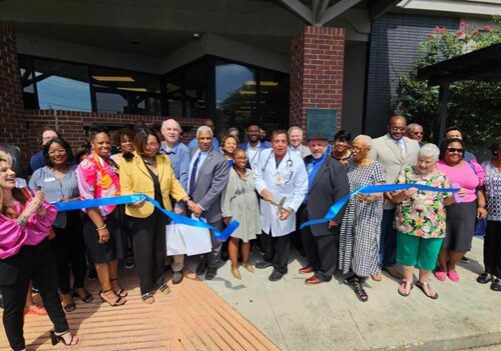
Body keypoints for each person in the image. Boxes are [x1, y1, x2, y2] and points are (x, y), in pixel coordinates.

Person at [0, 151, 79, 350]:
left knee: (50, 293)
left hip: (41, 251)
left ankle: (62, 330)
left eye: (10, 168)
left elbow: (44, 218)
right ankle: (19, 347)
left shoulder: (24, 192)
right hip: (12, 260)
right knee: (14, 307)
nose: (10, 172)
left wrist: (42, 211)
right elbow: (5, 235)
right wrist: (27, 212)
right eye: (3, 170)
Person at [120, 128, 189, 304]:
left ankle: (159, 281)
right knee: (144, 252)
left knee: (159, 249)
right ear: (140, 143)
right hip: (140, 214)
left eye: (155, 143)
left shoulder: (163, 159)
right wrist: (131, 200)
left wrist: (185, 198)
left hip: (161, 212)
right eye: (148, 143)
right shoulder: (129, 161)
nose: (152, 147)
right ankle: (145, 288)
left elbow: (173, 182)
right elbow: (125, 188)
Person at [29, 137, 92, 312]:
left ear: (67, 151)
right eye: (53, 151)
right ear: (47, 154)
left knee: (78, 255)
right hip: (50, 224)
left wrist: (73, 199)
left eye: (61, 150)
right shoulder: (39, 174)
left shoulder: (77, 170)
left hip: (75, 220)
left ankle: (79, 285)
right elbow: (30, 199)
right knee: (59, 259)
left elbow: (88, 193)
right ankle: (65, 292)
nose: (57, 154)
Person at [391, 144, 453, 299]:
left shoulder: (442, 177)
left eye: (428, 162)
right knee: (407, 251)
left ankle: (424, 281)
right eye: (420, 160)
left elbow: (447, 201)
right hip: (408, 222)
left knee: (430, 253)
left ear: (436, 161)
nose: (423, 165)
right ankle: (408, 280)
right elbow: (394, 198)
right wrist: (404, 194)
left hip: (434, 224)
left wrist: (457, 196)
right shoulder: (406, 172)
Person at [76, 127, 127, 307]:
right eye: (101, 143)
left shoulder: (110, 162)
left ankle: (113, 281)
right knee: (101, 255)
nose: (105, 145)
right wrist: (100, 226)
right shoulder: (87, 165)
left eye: (107, 142)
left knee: (113, 252)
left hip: (113, 213)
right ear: (92, 144)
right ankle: (105, 290)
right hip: (96, 217)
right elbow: (87, 200)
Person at [369, 115, 420, 280]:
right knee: (379, 231)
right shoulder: (376, 143)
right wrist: (382, 189)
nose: (398, 131)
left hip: (406, 199)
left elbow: (417, 169)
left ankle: (389, 263)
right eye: (395, 127)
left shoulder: (414, 145)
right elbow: (370, 168)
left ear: (406, 128)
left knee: (394, 233)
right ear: (388, 127)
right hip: (384, 196)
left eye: (401, 128)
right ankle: (374, 264)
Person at [254, 130, 308, 281]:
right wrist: (263, 189)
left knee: (282, 238)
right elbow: (257, 175)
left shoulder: (296, 160)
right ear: (272, 142)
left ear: (287, 143)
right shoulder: (264, 154)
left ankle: (281, 267)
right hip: (267, 202)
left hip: (285, 205)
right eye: (276, 141)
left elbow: (301, 188)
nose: (280, 144)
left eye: (283, 141)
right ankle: (269, 259)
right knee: (267, 234)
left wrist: (290, 209)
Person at [339, 135, 386, 301]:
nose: (354, 150)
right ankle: (353, 272)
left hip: (367, 213)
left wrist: (371, 197)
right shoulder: (350, 164)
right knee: (350, 242)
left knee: (363, 246)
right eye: (353, 146)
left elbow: (381, 191)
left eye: (358, 148)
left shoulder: (376, 167)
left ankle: (358, 280)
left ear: (368, 150)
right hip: (350, 210)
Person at [299, 134, 350, 285]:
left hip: (325, 213)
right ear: (309, 146)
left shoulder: (336, 166)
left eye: (320, 144)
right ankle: (313, 264)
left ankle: (325, 273)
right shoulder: (306, 161)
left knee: (325, 244)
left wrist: (336, 217)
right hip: (306, 210)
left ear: (327, 146)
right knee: (309, 241)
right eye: (313, 145)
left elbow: (343, 193)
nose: (316, 148)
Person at [435, 138, 486, 282]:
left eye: (459, 150)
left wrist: (481, 206)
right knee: (443, 238)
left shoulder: (472, 165)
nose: (455, 152)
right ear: (444, 150)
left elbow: (480, 187)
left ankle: (452, 266)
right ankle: (443, 266)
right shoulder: (436, 165)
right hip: (443, 205)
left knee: (463, 240)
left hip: (467, 207)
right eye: (451, 149)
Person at [188, 126, 230, 280]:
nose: (205, 141)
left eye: (208, 138)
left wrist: (201, 205)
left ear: (212, 139)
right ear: (196, 139)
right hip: (191, 205)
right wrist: (190, 202)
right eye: (202, 138)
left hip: (210, 207)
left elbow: (217, 187)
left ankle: (213, 264)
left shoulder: (219, 159)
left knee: (214, 239)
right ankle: (202, 260)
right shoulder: (191, 152)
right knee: (199, 235)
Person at [160, 119, 191, 284]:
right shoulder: (156, 149)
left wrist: (180, 203)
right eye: (169, 129)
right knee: (162, 232)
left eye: (175, 130)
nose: (172, 132)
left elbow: (184, 177)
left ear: (179, 133)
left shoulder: (183, 151)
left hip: (176, 199)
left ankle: (178, 267)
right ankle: (165, 260)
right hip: (159, 200)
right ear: (162, 132)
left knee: (176, 233)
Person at [221, 149, 261, 279]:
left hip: (250, 210)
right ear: (233, 159)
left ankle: (245, 262)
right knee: (234, 238)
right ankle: (234, 265)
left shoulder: (251, 172)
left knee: (248, 237)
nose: (242, 160)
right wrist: (226, 214)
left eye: (244, 158)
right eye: (239, 158)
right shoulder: (229, 174)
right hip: (235, 211)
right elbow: (225, 196)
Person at [477, 137, 501, 291]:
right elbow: (481, 188)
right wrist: (481, 205)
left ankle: (499, 276)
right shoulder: (485, 166)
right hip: (492, 211)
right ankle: (488, 271)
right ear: (496, 150)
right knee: (490, 241)